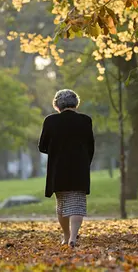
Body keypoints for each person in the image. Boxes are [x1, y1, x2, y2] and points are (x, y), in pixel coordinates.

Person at [38, 89, 95, 248]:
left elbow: (42, 146)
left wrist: (56, 150)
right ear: (76, 103)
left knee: (62, 203)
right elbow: (91, 145)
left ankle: (66, 235)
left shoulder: (50, 121)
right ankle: (73, 237)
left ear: (57, 104)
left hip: (58, 168)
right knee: (77, 202)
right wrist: (85, 160)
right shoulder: (86, 120)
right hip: (80, 167)